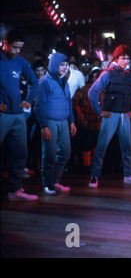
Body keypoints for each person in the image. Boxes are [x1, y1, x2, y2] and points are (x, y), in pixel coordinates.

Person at [87, 45, 131, 188]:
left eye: (128, 58)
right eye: (123, 58)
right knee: (101, 146)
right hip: (111, 114)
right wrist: (99, 111)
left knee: (127, 147)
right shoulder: (108, 73)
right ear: (116, 58)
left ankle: (129, 175)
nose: (126, 61)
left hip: (124, 115)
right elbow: (92, 92)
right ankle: (94, 176)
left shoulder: (130, 75)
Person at [0, 30, 39, 201]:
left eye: (20, 48)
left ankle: (14, 190)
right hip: (2, 115)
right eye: (15, 47)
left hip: (17, 115)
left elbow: (34, 83)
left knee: (20, 153)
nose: (17, 51)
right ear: (5, 43)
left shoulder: (21, 62)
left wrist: (29, 100)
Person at [34, 52, 77, 194]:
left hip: (63, 122)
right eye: (61, 64)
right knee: (50, 154)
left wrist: (71, 121)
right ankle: (47, 184)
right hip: (50, 122)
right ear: (54, 65)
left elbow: (68, 103)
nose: (64, 67)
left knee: (65, 152)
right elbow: (39, 106)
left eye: (66, 65)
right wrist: (44, 126)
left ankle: (55, 181)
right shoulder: (44, 83)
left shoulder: (64, 82)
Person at [72, 67, 102, 172]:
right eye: (94, 76)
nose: (95, 78)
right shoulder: (85, 89)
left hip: (99, 121)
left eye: (97, 76)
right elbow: (74, 101)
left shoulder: (104, 90)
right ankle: (86, 166)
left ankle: (94, 166)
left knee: (96, 144)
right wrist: (80, 114)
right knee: (86, 144)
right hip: (86, 121)